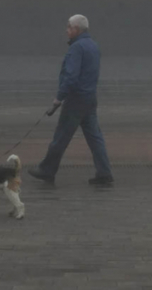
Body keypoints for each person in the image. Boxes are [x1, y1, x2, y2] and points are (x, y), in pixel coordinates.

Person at [28, 15, 114, 186]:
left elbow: (71, 77)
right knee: (95, 138)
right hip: (90, 98)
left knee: (61, 137)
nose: (66, 30)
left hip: (76, 100)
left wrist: (59, 98)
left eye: (68, 27)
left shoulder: (76, 48)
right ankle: (104, 173)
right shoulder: (93, 46)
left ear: (76, 29)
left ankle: (47, 170)